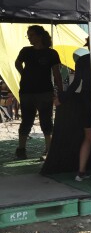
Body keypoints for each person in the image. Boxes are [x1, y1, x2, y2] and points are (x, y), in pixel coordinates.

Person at [57, 33, 91, 181]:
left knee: (89, 137)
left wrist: (62, 98)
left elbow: (75, 83)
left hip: (86, 100)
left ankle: (81, 172)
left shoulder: (82, 60)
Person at [14, 25, 63, 160]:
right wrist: (23, 74)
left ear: (39, 36)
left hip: (44, 92)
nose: (29, 38)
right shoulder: (25, 51)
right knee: (27, 120)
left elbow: (56, 73)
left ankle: (48, 150)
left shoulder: (51, 53)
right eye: (28, 35)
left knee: (46, 121)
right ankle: (21, 149)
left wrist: (60, 90)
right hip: (27, 92)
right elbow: (17, 63)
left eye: (31, 35)